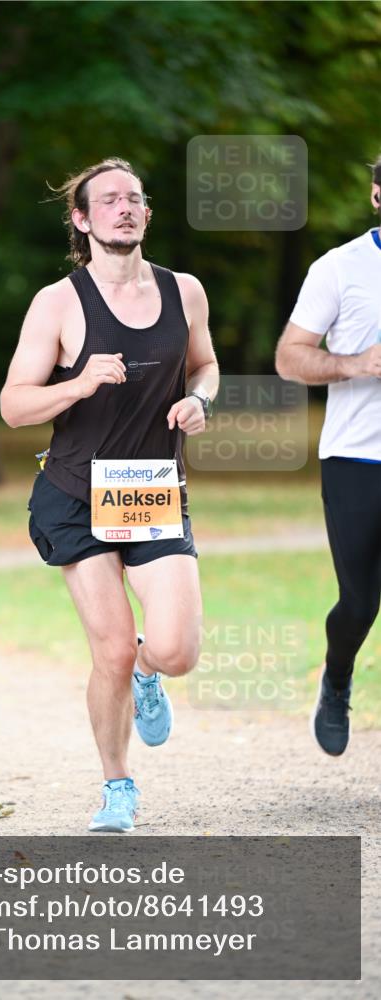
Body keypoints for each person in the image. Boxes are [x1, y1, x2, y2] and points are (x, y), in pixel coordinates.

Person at [0, 158, 218, 832]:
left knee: (176, 650)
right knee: (111, 651)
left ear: (145, 215)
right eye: (109, 200)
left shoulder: (184, 291)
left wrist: (198, 400)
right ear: (82, 219)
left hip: (151, 492)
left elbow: (204, 364)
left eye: (135, 199)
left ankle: (150, 678)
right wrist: (76, 383)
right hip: (74, 493)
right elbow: (12, 405)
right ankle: (116, 788)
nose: (124, 208)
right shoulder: (57, 303)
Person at [276, 155, 381, 756]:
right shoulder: (338, 269)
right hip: (357, 460)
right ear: (375, 195)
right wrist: (355, 364)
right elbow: (290, 358)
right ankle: (337, 676)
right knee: (361, 603)